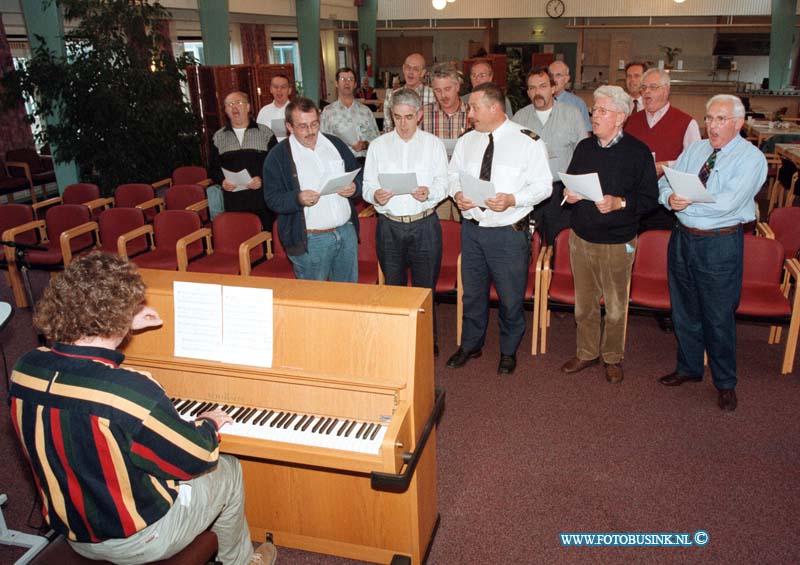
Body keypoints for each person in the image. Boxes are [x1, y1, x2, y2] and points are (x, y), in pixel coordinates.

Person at [8, 251, 276, 565]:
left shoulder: (26, 367)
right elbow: (195, 458)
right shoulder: (128, 389)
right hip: (138, 540)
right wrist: (208, 424)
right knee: (227, 469)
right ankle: (241, 561)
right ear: (118, 317)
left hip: (74, 530)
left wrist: (122, 321)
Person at [657, 94, 767, 411]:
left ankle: (725, 382)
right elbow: (668, 181)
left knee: (718, 317)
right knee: (684, 310)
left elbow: (729, 202)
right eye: (709, 119)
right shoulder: (696, 149)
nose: (713, 126)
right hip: (683, 239)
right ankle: (689, 368)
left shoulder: (751, 159)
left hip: (719, 243)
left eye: (721, 120)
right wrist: (670, 200)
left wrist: (690, 201)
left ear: (739, 123)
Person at [446, 82, 552, 375]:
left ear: (494, 108)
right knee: (473, 293)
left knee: (510, 296)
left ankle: (508, 350)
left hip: (508, 233)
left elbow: (543, 187)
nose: (469, 114)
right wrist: (457, 194)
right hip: (473, 230)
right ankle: (471, 344)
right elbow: (451, 174)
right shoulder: (468, 140)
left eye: (473, 108)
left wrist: (513, 199)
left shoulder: (527, 141)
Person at [560, 85, 658, 384]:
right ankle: (587, 352)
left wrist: (620, 202)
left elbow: (650, 199)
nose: (594, 115)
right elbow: (571, 183)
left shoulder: (638, 152)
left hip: (618, 242)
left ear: (620, 117)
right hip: (581, 239)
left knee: (616, 309)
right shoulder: (584, 148)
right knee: (584, 305)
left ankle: (613, 357)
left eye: (602, 111)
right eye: (594, 110)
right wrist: (569, 193)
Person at [363, 88, 448, 354]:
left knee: (425, 289)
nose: (403, 124)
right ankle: (396, 341)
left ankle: (425, 341)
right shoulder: (378, 145)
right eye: (398, 117)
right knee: (394, 288)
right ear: (391, 115)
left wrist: (429, 193)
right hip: (389, 224)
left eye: (409, 117)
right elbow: (366, 186)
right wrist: (375, 194)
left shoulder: (433, 144)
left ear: (419, 115)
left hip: (424, 223)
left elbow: (444, 184)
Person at [262, 97, 362, 282]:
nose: (310, 131)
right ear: (289, 127)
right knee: (314, 301)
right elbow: (272, 199)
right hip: (310, 240)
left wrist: (355, 187)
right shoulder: (277, 156)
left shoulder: (335, 144)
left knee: (349, 297)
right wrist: (297, 198)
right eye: (302, 126)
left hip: (345, 232)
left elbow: (358, 174)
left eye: (314, 124)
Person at [512, 66, 588, 244]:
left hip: (561, 192)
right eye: (532, 88)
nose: (537, 92)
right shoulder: (520, 118)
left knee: (558, 242)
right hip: (530, 190)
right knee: (530, 242)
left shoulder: (572, 114)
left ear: (553, 89)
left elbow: (583, 154)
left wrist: (577, 188)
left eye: (542, 86)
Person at [209, 91, 275, 231]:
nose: (234, 108)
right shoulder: (218, 137)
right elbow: (213, 168)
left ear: (248, 107)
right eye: (229, 105)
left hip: (261, 199)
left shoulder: (265, 133)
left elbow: (275, 166)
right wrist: (222, 181)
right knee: (238, 239)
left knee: (266, 241)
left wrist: (262, 179)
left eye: (238, 103)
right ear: (225, 110)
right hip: (233, 200)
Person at [422, 63, 470, 220]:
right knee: (439, 231)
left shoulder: (472, 113)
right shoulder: (423, 114)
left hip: (464, 184)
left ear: (457, 86)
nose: (443, 95)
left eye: (447, 89)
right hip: (434, 182)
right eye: (438, 90)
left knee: (464, 231)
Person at [320, 67, 380, 163]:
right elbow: (323, 143)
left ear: (355, 84)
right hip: (341, 163)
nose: (347, 82)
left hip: (364, 162)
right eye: (343, 79)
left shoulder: (365, 111)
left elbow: (376, 140)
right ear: (336, 83)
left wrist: (365, 145)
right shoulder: (328, 112)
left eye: (350, 79)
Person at [383, 53, 435, 132]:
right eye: (408, 67)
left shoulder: (433, 95)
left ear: (422, 73)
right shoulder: (392, 96)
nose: (411, 72)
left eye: (416, 69)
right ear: (403, 68)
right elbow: (388, 128)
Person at [548, 60, 592, 133]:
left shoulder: (577, 104)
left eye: (558, 75)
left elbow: (586, 133)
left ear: (566, 79)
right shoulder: (541, 101)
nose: (553, 79)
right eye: (551, 75)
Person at [256, 74, 293, 142]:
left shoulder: (295, 110)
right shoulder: (264, 111)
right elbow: (258, 136)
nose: (279, 90)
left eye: (283, 87)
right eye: (275, 87)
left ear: (289, 90)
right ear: (271, 90)